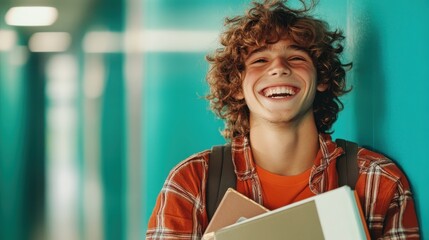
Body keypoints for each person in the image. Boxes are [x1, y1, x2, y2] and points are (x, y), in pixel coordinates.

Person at [146, 0, 420, 239]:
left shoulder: (378, 181)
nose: (279, 67)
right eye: (260, 60)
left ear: (322, 78)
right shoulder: (193, 182)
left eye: (296, 57)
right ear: (237, 86)